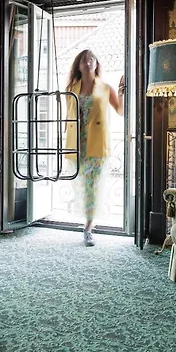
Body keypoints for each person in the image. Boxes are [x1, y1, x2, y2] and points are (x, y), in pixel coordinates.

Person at [64, 49, 124, 246]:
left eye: (92, 59)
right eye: (84, 60)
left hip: (97, 143)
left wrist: (122, 94)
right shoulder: (71, 88)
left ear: (97, 64)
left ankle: (88, 228)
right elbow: (67, 115)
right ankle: (86, 221)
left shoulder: (105, 88)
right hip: (76, 142)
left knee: (93, 186)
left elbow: (120, 111)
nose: (88, 62)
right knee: (81, 185)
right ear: (79, 65)